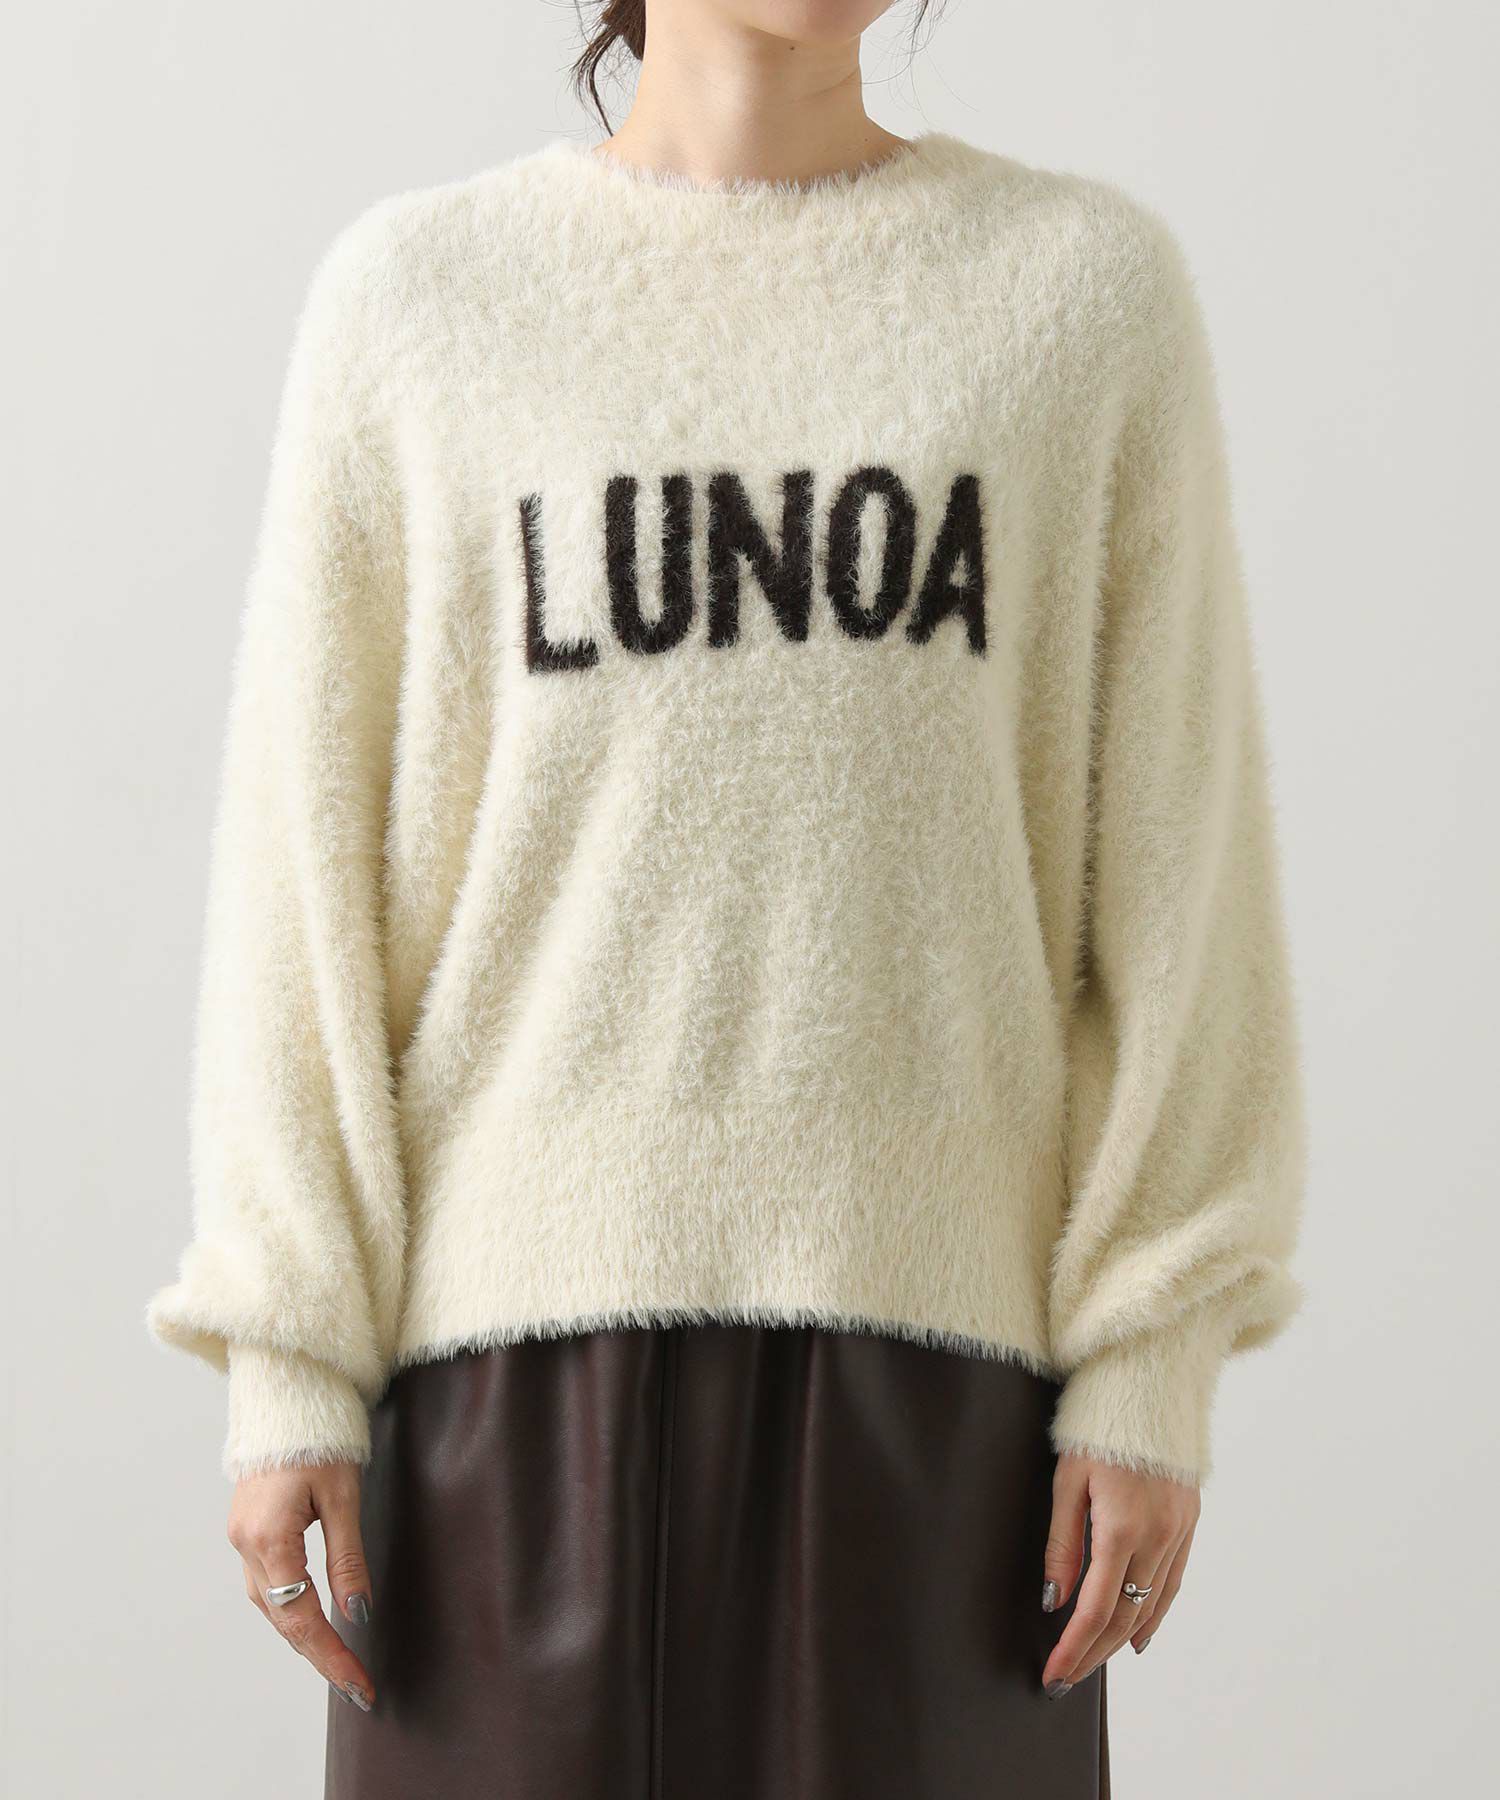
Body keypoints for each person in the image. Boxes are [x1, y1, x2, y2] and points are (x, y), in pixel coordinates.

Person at [146, 2, 1308, 1794]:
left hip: (943, 1403)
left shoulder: (1080, 299)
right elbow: (305, 870)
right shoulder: (420, 301)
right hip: (498, 1397)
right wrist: (287, 1349)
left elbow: (1179, 872)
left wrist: (1152, 1352)